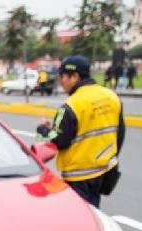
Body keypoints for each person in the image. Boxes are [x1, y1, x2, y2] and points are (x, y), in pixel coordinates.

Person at [36, 55, 125, 208]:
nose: (60, 81)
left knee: (80, 217)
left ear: (74, 76)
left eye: (62, 76)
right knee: (94, 211)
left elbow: (58, 140)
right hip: (104, 171)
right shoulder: (111, 96)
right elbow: (120, 134)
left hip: (78, 177)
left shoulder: (70, 105)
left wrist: (42, 129)